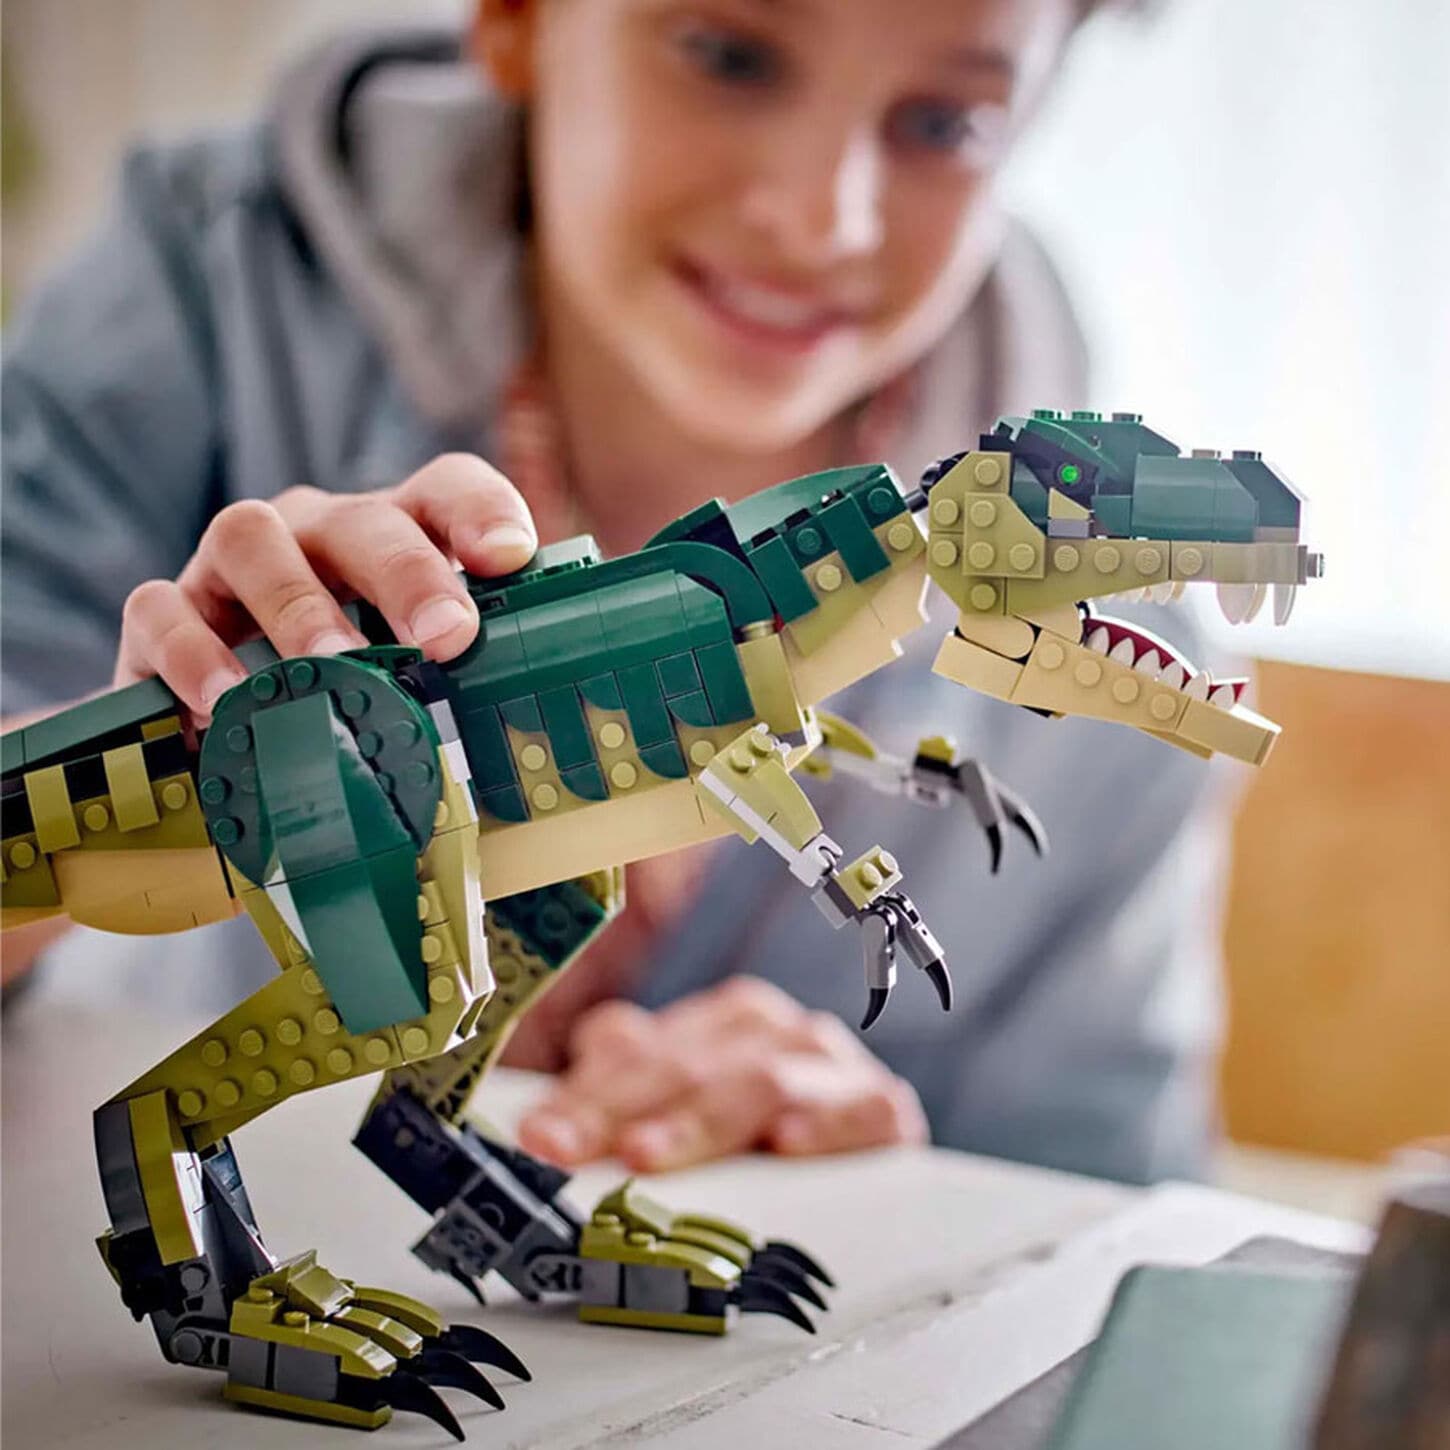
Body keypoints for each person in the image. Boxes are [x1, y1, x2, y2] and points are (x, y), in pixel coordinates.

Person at [0, 0, 1227, 1186]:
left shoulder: (1114, 664)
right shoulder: (201, 291)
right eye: (728, 54)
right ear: (516, 16)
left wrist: (873, 1167)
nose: (821, 220)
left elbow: (1097, 1211)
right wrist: (139, 752)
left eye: (944, 123)